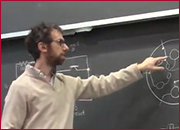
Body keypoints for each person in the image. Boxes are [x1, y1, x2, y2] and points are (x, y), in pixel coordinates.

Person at [1, 23, 167, 129]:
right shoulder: (21, 88)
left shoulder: (66, 84)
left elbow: (105, 84)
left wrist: (139, 68)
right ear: (43, 47)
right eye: (60, 42)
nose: (66, 47)